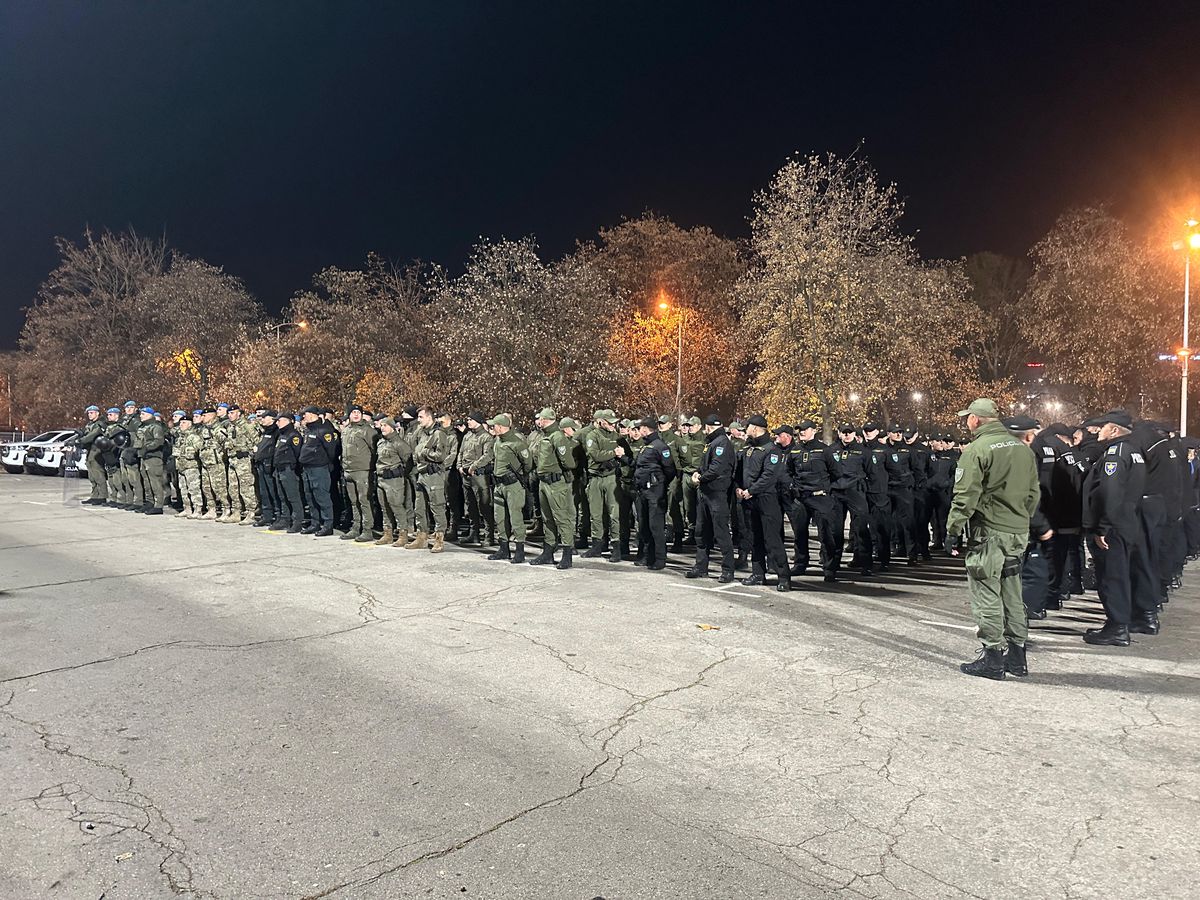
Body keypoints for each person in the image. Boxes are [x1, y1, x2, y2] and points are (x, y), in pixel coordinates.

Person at [945, 399, 1040, 680]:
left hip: (989, 533)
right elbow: (1034, 494)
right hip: (1017, 531)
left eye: (968, 417)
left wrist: (953, 530)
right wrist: (1021, 519)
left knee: (986, 591)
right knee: (1012, 591)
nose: (967, 421)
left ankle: (993, 658)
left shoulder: (977, 450)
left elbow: (966, 496)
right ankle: (1017, 656)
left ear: (976, 419)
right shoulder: (1022, 450)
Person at [1081, 410, 1159, 645]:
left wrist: (1103, 527)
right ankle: (1119, 622)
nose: (1097, 431)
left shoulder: (1116, 453)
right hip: (1127, 521)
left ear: (1114, 430)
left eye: (1102, 427)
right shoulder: (1134, 452)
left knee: (1111, 576)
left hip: (1113, 526)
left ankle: (1117, 627)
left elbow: (1110, 491)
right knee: (1122, 573)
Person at [738, 415, 790, 591]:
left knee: (772, 540)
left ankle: (784, 577)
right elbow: (742, 472)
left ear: (756, 428)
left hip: (766, 499)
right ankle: (758, 574)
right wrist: (740, 488)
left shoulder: (772, 449)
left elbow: (769, 476)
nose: (746, 430)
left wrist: (751, 490)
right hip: (749, 499)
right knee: (755, 539)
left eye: (748, 427)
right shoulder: (749, 448)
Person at [685, 414, 736, 582]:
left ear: (708, 427)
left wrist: (700, 477)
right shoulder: (711, 443)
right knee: (701, 532)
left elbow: (716, 469)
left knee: (721, 533)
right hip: (705, 493)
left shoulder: (721, 442)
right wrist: (698, 472)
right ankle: (701, 566)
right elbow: (704, 465)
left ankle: (728, 569)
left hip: (717, 494)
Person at [527, 407, 578, 568]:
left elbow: (568, 462)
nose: (538, 422)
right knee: (547, 518)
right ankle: (548, 551)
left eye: (541, 419)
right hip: (543, 482)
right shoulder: (545, 436)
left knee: (562, 517)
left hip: (556, 483)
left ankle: (567, 553)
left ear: (545, 419)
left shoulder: (557, 437)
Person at [632, 418, 677, 570]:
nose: (639, 431)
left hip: (654, 492)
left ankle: (659, 558)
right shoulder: (646, 446)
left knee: (655, 526)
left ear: (646, 429)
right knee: (644, 525)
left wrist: (659, 483)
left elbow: (670, 469)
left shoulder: (660, 446)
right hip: (643, 490)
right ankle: (647, 556)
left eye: (641, 428)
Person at [487, 413, 532, 563]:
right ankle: (503, 549)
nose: (492, 427)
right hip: (499, 485)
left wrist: (518, 475)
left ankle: (519, 551)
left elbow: (528, 464)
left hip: (513, 485)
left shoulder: (517, 443)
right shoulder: (497, 441)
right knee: (499, 517)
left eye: (494, 425)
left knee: (515, 518)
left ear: (500, 427)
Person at [830, 423, 872, 577]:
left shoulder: (863, 451)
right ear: (839, 433)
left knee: (861, 529)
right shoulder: (831, 450)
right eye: (844, 432)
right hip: (836, 493)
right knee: (835, 530)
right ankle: (833, 564)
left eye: (850, 432)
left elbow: (871, 472)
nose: (847, 435)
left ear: (854, 433)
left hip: (856, 491)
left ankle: (865, 563)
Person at [408, 406, 451, 552]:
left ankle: (439, 539)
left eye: (421, 417)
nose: (418, 420)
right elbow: (414, 447)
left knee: (437, 507)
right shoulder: (422, 432)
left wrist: (425, 453)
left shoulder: (438, 434)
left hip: (434, 475)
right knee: (419, 507)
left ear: (429, 417)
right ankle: (421, 537)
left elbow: (440, 455)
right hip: (422, 474)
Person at [582, 410, 623, 559]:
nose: (613, 425)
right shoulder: (592, 436)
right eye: (610, 422)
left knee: (614, 514)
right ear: (601, 422)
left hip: (611, 478)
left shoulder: (617, 437)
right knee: (596, 514)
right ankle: (597, 546)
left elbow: (624, 454)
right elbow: (595, 455)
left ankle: (616, 547)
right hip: (595, 478)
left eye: (614, 422)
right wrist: (614, 453)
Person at [375, 416, 414, 547]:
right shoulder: (381, 442)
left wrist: (401, 474)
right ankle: (388, 533)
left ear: (392, 427)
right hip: (381, 479)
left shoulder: (399, 444)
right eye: (381, 426)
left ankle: (403, 534)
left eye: (385, 426)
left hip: (394, 480)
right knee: (384, 507)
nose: (382, 428)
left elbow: (408, 461)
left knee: (397, 507)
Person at [340, 404, 377, 542]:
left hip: (363, 470)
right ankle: (356, 527)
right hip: (348, 470)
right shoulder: (346, 430)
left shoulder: (368, 431)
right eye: (353, 412)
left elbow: (375, 450)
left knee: (364, 501)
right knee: (353, 501)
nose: (356, 414)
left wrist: (372, 467)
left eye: (358, 412)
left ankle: (367, 529)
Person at [298, 406, 337, 536]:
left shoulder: (324, 430)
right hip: (307, 468)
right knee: (310, 497)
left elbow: (331, 451)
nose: (304, 417)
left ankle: (327, 524)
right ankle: (315, 523)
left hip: (319, 468)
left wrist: (325, 462)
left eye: (306, 414)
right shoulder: (309, 430)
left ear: (312, 415)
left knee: (322, 496)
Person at [459, 411, 496, 546]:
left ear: (478, 421)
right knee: (470, 506)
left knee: (484, 506)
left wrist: (474, 466)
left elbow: (487, 455)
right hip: (466, 475)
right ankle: (474, 534)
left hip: (479, 475)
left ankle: (489, 535)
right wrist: (460, 466)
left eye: (470, 419)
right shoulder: (467, 436)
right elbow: (461, 452)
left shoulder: (486, 437)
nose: (468, 421)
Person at [272, 412, 304, 533]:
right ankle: (285, 519)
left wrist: (294, 468)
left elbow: (297, 454)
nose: (277, 423)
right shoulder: (282, 435)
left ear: (287, 421)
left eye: (279, 420)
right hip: (279, 469)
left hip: (289, 469)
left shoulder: (294, 435)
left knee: (293, 497)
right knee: (282, 496)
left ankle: (297, 521)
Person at [137, 407, 169, 515]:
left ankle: (158, 505)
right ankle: (149, 502)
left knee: (155, 482)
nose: (141, 416)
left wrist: (146, 447)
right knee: (146, 482)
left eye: (143, 414)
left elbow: (159, 441)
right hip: (144, 457)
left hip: (153, 457)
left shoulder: (156, 427)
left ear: (150, 415)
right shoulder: (142, 427)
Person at [174, 414, 205, 518]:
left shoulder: (194, 437)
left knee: (194, 488)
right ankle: (187, 508)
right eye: (180, 423)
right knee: (183, 489)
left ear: (190, 424)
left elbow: (199, 449)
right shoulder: (180, 438)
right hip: (181, 465)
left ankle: (198, 509)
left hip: (191, 466)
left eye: (184, 423)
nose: (181, 425)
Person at [78, 405, 108, 504]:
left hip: (97, 451)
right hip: (90, 450)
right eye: (89, 413)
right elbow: (86, 435)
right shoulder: (90, 424)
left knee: (98, 473)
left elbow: (92, 436)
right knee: (92, 475)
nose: (90, 415)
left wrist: (80, 440)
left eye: (92, 413)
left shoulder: (100, 424)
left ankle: (102, 496)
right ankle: (95, 495)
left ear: (97, 413)